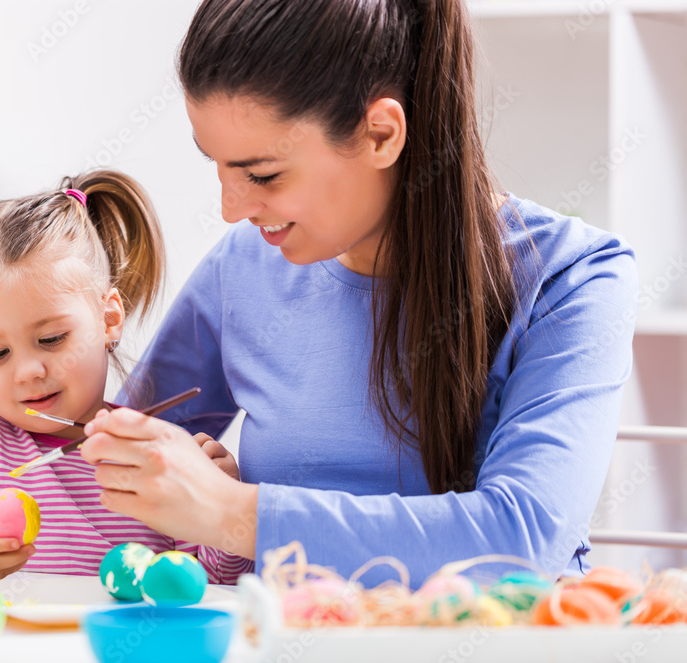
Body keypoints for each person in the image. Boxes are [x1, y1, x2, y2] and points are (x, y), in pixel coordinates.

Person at [79, 0, 638, 588]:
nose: (231, 209)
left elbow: (521, 541)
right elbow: (106, 457)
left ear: (380, 135)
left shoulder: (572, 278)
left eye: (263, 174)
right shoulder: (243, 266)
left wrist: (230, 511)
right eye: (217, 165)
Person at [0, 169, 251, 582]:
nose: (27, 371)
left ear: (108, 317)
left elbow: (211, 584)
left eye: (52, 339)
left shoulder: (157, 453)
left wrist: (222, 506)